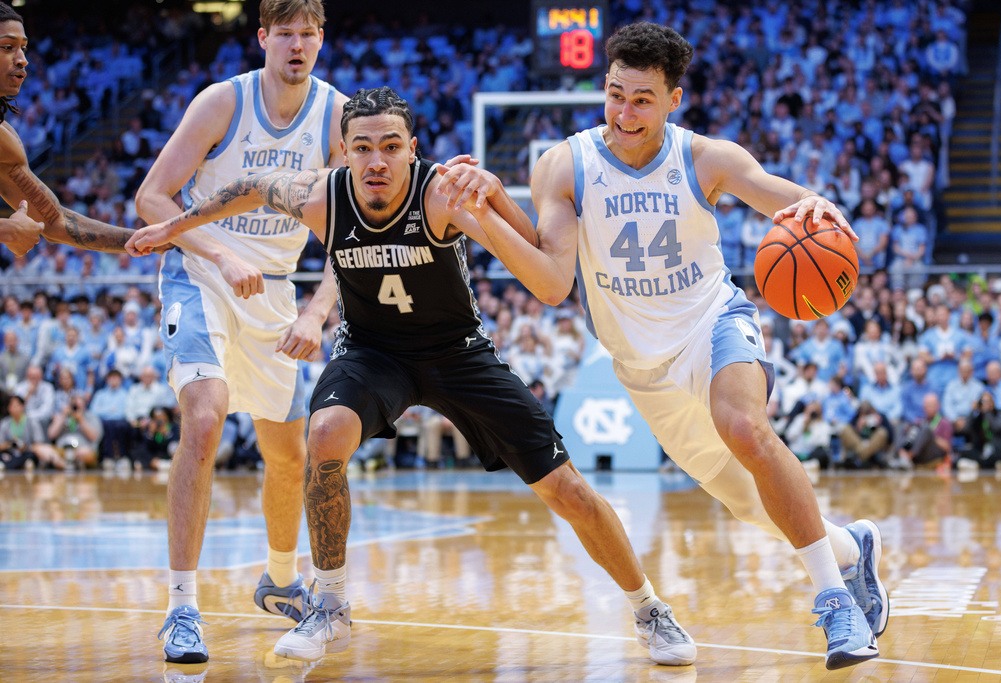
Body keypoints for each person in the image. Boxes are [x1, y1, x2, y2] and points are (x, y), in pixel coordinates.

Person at [128, 86, 698, 668]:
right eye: (362, 148)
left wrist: (493, 198)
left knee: (567, 490)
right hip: (373, 353)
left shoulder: (443, 196)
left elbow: (549, 282)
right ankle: (330, 605)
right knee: (323, 434)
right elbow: (249, 187)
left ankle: (649, 608)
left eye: (391, 147)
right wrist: (176, 225)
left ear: (413, 149)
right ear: (344, 152)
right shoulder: (323, 197)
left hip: (457, 354)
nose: (376, 161)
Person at [436, 23, 885, 670]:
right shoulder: (565, 165)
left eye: (642, 100)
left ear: (674, 98)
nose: (624, 113)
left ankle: (834, 601)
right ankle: (849, 548)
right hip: (643, 367)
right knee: (747, 503)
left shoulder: (707, 158)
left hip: (712, 324)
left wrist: (819, 207)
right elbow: (553, 282)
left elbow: (788, 199)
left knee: (745, 427)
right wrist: (482, 212)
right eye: (615, 95)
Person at [131, 0, 347, 664]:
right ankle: (181, 607)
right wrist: (222, 253)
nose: (297, 45)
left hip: (274, 289)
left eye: (308, 33)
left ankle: (280, 580)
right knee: (205, 419)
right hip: (200, 273)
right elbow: (152, 197)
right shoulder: (222, 102)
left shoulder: (336, 115)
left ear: (321, 40)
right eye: (285, 33)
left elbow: (351, 233)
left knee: (288, 455)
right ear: (262, 38)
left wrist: (316, 313)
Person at [0, 3, 138, 257]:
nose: (22, 59)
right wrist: (6, 230)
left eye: (23, 48)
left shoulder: (4, 138)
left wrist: (152, 239)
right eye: (8, 47)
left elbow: (55, 221)